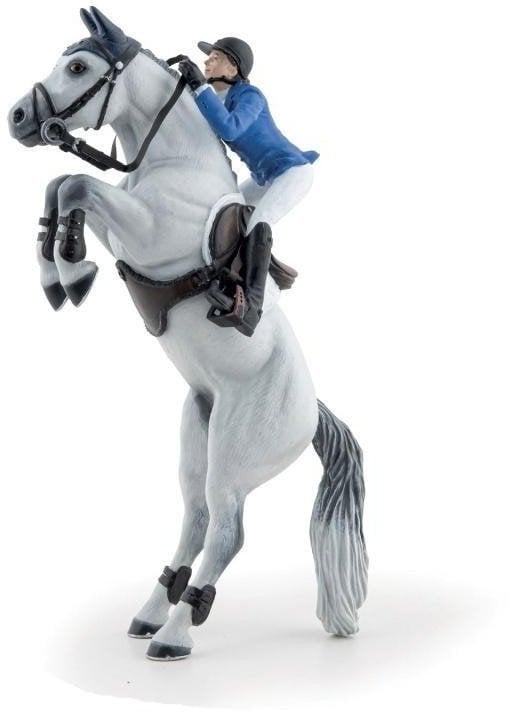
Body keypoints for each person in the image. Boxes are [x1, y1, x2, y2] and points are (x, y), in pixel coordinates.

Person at [179, 38, 318, 337]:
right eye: (207, 59)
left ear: (233, 68)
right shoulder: (216, 98)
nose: (206, 62)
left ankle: (253, 304)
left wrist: (200, 88)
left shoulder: (251, 96)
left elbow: (229, 128)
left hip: (291, 172)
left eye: (215, 57)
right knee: (223, 210)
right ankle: (231, 273)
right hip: (262, 177)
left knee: (259, 222)